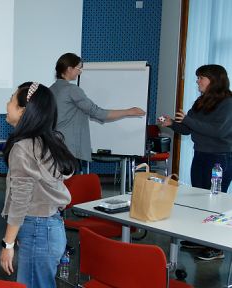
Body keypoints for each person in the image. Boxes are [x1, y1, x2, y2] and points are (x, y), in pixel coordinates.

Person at [0, 82, 78, 288]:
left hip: (38, 229)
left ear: (23, 111)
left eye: (11, 99)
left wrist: (7, 243)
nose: (7, 104)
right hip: (50, 228)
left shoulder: (23, 147)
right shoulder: (47, 142)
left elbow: (20, 200)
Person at [160, 64, 232, 261]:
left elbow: (218, 131)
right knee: (201, 200)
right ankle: (202, 239)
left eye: (201, 78)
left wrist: (188, 121)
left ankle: (215, 248)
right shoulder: (202, 101)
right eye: (198, 77)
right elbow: (187, 129)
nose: (198, 81)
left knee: (215, 201)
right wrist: (172, 124)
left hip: (220, 157)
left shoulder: (228, 103)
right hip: (200, 154)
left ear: (214, 80)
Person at [49, 53, 146, 163]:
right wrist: (127, 112)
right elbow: (97, 113)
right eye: (79, 69)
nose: (80, 73)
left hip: (54, 144)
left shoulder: (50, 89)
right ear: (69, 69)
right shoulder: (72, 90)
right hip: (69, 147)